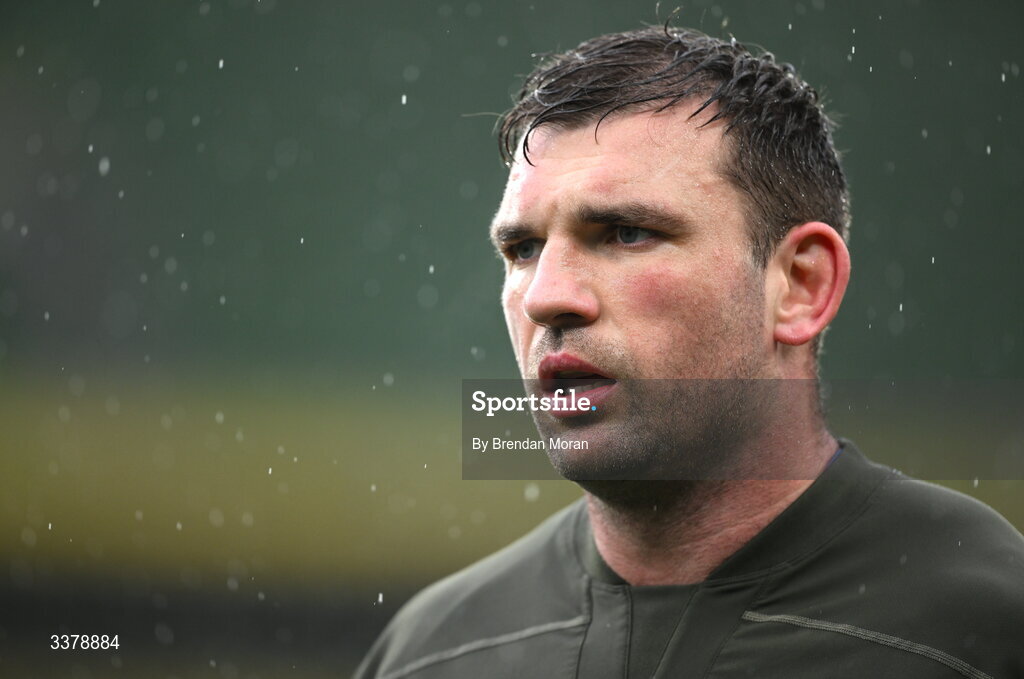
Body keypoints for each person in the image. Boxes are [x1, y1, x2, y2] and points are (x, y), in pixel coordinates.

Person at [355, 25, 1024, 679]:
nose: (545, 297)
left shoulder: (985, 624)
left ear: (800, 285)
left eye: (625, 232)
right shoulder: (437, 649)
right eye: (523, 249)